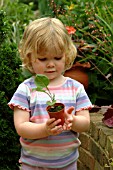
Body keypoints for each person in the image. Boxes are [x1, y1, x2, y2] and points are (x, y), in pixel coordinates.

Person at [8, 17, 93, 170]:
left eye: (57, 57)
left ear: (66, 54)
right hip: (33, 165)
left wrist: (73, 120)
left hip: (67, 164)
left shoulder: (76, 88)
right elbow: (21, 126)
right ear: (29, 57)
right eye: (42, 59)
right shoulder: (25, 89)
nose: (51, 64)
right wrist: (44, 130)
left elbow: (85, 123)